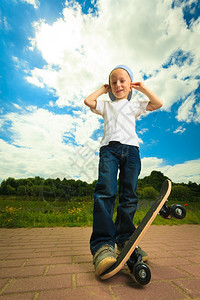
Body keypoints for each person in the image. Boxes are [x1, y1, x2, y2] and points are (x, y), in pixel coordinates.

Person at [84, 65, 163, 276]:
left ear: (130, 86)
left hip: (132, 151)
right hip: (109, 149)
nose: (118, 85)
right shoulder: (106, 105)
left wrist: (143, 88)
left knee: (129, 195)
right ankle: (102, 245)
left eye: (122, 81)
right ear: (110, 87)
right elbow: (88, 102)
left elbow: (158, 103)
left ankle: (126, 238)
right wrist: (102, 90)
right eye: (113, 82)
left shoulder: (135, 105)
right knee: (106, 192)